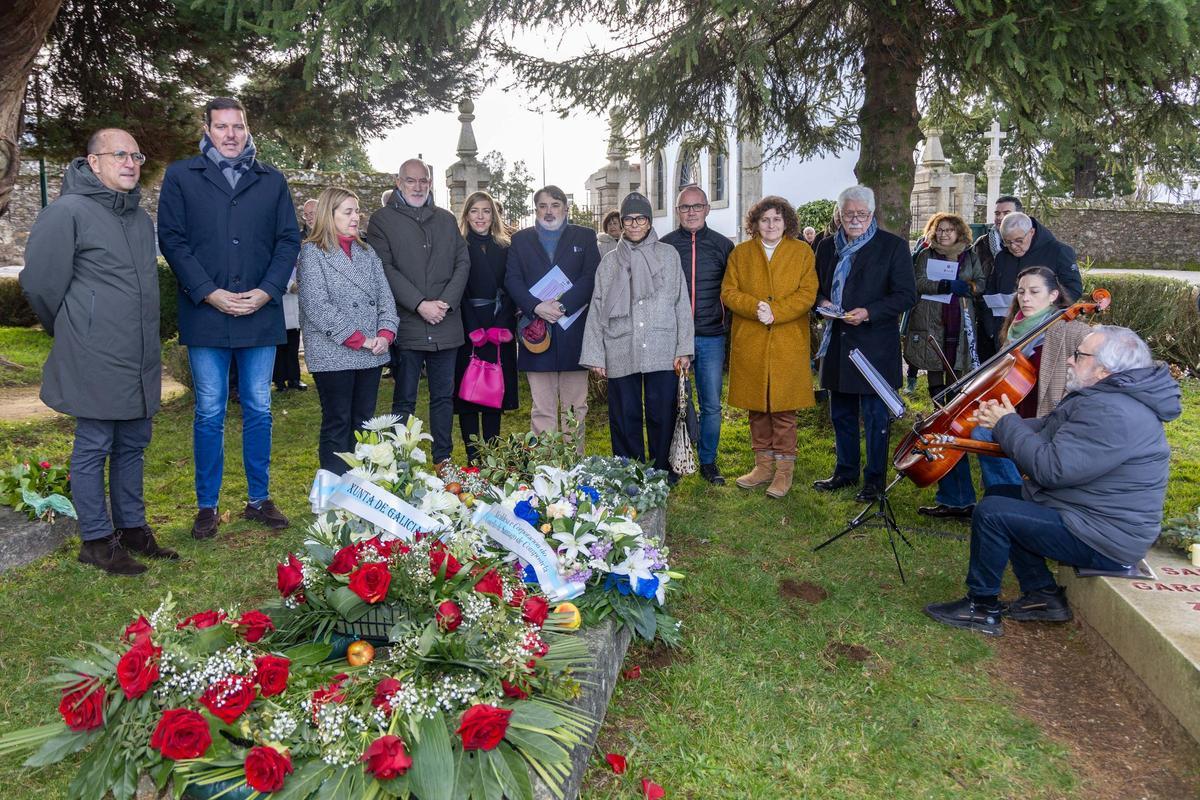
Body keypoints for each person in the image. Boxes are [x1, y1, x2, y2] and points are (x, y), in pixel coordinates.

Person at [925, 326, 1181, 636]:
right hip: (1089, 514)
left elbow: (1051, 469)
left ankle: (981, 608)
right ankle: (1042, 594)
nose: (1070, 361)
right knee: (1002, 494)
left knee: (993, 513)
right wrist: (999, 422)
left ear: (1103, 370)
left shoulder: (1113, 411)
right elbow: (1049, 428)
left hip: (1107, 536)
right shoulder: (1107, 398)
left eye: (1079, 355)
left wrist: (1007, 424)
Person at [20, 128, 175, 575]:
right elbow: (40, 285)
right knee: (94, 444)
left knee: (133, 443)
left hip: (138, 352)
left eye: (136, 156)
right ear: (93, 162)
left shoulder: (139, 218)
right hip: (94, 352)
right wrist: (76, 327)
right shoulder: (66, 212)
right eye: (119, 154)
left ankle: (132, 528)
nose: (130, 163)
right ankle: (96, 540)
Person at [158, 96, 300, 539]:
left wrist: (268, 290)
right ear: (207, 129)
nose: (230, 134)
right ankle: (207, 505)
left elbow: (288, 240)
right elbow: (172, 240)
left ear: (247, 128)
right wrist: (208, 292)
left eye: (237, 126)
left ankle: (259, 499)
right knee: (209, 410)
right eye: (221, 126)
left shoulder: (271, 180)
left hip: (259, 312)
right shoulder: (182, 176)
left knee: (259, 406)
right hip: (206, 313)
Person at [812, 186, 917, 503]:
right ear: (840, 214)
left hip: (874, 346)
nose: (855, 219)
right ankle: (845, 471)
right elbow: (814, 288)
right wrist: (823, 303)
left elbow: (906, 295)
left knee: (875, 418)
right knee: (841, 414)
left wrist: (869, 312)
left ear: (872, 214)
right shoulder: (826, 246)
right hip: (837, 342)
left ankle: (874, 480)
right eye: (849, 214)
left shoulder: (892, 246)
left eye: (861, 214)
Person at [366, 158, 470, 471]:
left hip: (445, 323)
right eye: (410, 180)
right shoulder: (382, 220)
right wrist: (420, 303)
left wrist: (445, 302)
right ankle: (402, 461)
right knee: (404, 398)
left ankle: (443, 459)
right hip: (408, 323)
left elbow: (462, 262)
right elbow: (384, 268)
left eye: (423, 180)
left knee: (443, 397)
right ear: (399, 183)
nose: (417, 186)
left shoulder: (446, 219)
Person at [581, 192, 693, 476]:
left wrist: (683, 348)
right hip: (620, 345)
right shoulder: (609, 262)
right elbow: (597, 307)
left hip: (662, 345)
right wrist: (596, 354)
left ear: (649, 221)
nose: (634, 224)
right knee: (624, 414)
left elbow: (681, 302)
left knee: (661, 412)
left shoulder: (668, 255)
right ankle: (629, 472)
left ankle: (662, 472)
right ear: (621, 222)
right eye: (628, 219)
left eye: (640, 218)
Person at [722, 196, 818, 498]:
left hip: (788, 340)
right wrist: (755, 308)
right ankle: (763, 466)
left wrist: (777, 312)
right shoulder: (741, 253)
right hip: (751, 340)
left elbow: (808, 293)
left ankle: (784, 471)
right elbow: (728, 292)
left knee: (784, 410)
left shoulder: (802, 252)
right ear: (755, 223)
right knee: (757, 407)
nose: (771, 224)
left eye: (777, 219)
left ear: (786, 222)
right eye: (765, 219)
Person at [297, 188, 398, 474]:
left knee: (364, 423)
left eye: (357, 211)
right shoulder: (312, 253)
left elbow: (386, 298)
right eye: (348, 212)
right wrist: (360, 339)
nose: (356, 217)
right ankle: (333, 489)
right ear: (329, 215)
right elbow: (317, 306)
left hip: (371, 352)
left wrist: (385, 334)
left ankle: (360, 486)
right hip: (333, 354)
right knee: (338, 421)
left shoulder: (367, 252)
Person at [969, 266, 1094, 497]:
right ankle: (1002, 496)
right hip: (1016, 409)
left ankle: (1016, 498)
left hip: (1045, 414)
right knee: (978, 432)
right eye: (1021, 292)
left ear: (1053, 295)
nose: (1025, 298)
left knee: (986, 435)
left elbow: (1101, 351)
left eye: (1034, 292)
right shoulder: (1015, 328)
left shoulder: (1069, 328)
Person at [504, 185, 600, 452]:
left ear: (566, 209)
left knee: (575, 408)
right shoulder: (520, 240)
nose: (549, 211)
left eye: (555, 205)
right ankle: (544, 466)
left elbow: (591, 276)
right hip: (536, 332)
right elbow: (512, 280)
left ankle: (573, 464)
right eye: (543, 206)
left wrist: (563, 305)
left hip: (573, 332)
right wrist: (536, 307)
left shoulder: (585, 236)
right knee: (542, 408)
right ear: (536, 210)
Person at [904, 212, 984, 518]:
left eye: (950, 230)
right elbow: (917, 282)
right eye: (940, 230)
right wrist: (946, 285)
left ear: (959, 232)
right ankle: (953, 492)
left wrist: (967, 287)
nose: (944, 234)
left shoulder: (969, 255)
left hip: (960, 334)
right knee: (940, 407)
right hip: (932, 332)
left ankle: (958, 494)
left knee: (955, 410)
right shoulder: (925, 254)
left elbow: (981, 284)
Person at [661, 185, 735, 485]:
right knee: (674, 401)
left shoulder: (722, 246)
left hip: (711, 335)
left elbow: (732, 291)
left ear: (707, 209)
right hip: (674, 337)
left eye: (696, 206)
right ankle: (675, 461)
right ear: (677, 211)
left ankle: (707, 461)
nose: (691, 212)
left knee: (711, 404)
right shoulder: (666, 246)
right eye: (685, 207)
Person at [454, 191, 519, 463]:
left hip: (498, 325)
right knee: (468, 396)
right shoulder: (457, 246)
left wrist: (501, 324)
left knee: (493, 393)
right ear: (466, 215)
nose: (480, 217)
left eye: (486, 211)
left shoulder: (506, 246)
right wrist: (472, 326)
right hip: (467, 328)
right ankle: (473, 459)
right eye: (474, 211)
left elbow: (513, 285)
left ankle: (491, 459)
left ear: (494, 215)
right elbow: (457, 290)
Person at [981, 211, 1083, 348]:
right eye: (1007, 242)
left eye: (1019, 240)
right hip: (1006, 331)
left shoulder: (1058, 251)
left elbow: (1073, 290)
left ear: (1031, 232)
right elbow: (991, 290)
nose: (1013, 247)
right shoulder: (1002, 257)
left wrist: (1044, 307)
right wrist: (991, 327)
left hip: (1042, 331)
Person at [970, 195, 1022, 363]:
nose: (1000, 217)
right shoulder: (981, 243)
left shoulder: (1025, 243)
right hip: (986, 313)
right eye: (997, 213)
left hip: (1016, 313)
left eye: (1006, 213)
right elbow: (973, 275)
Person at [272, 195, 311, 392]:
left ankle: (294, 378)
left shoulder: (296, 244)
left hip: (295, 300)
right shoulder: (271, 244)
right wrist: (288, 285)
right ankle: (279, 380)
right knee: (280, 343)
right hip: (280, 296)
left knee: (294, 341)